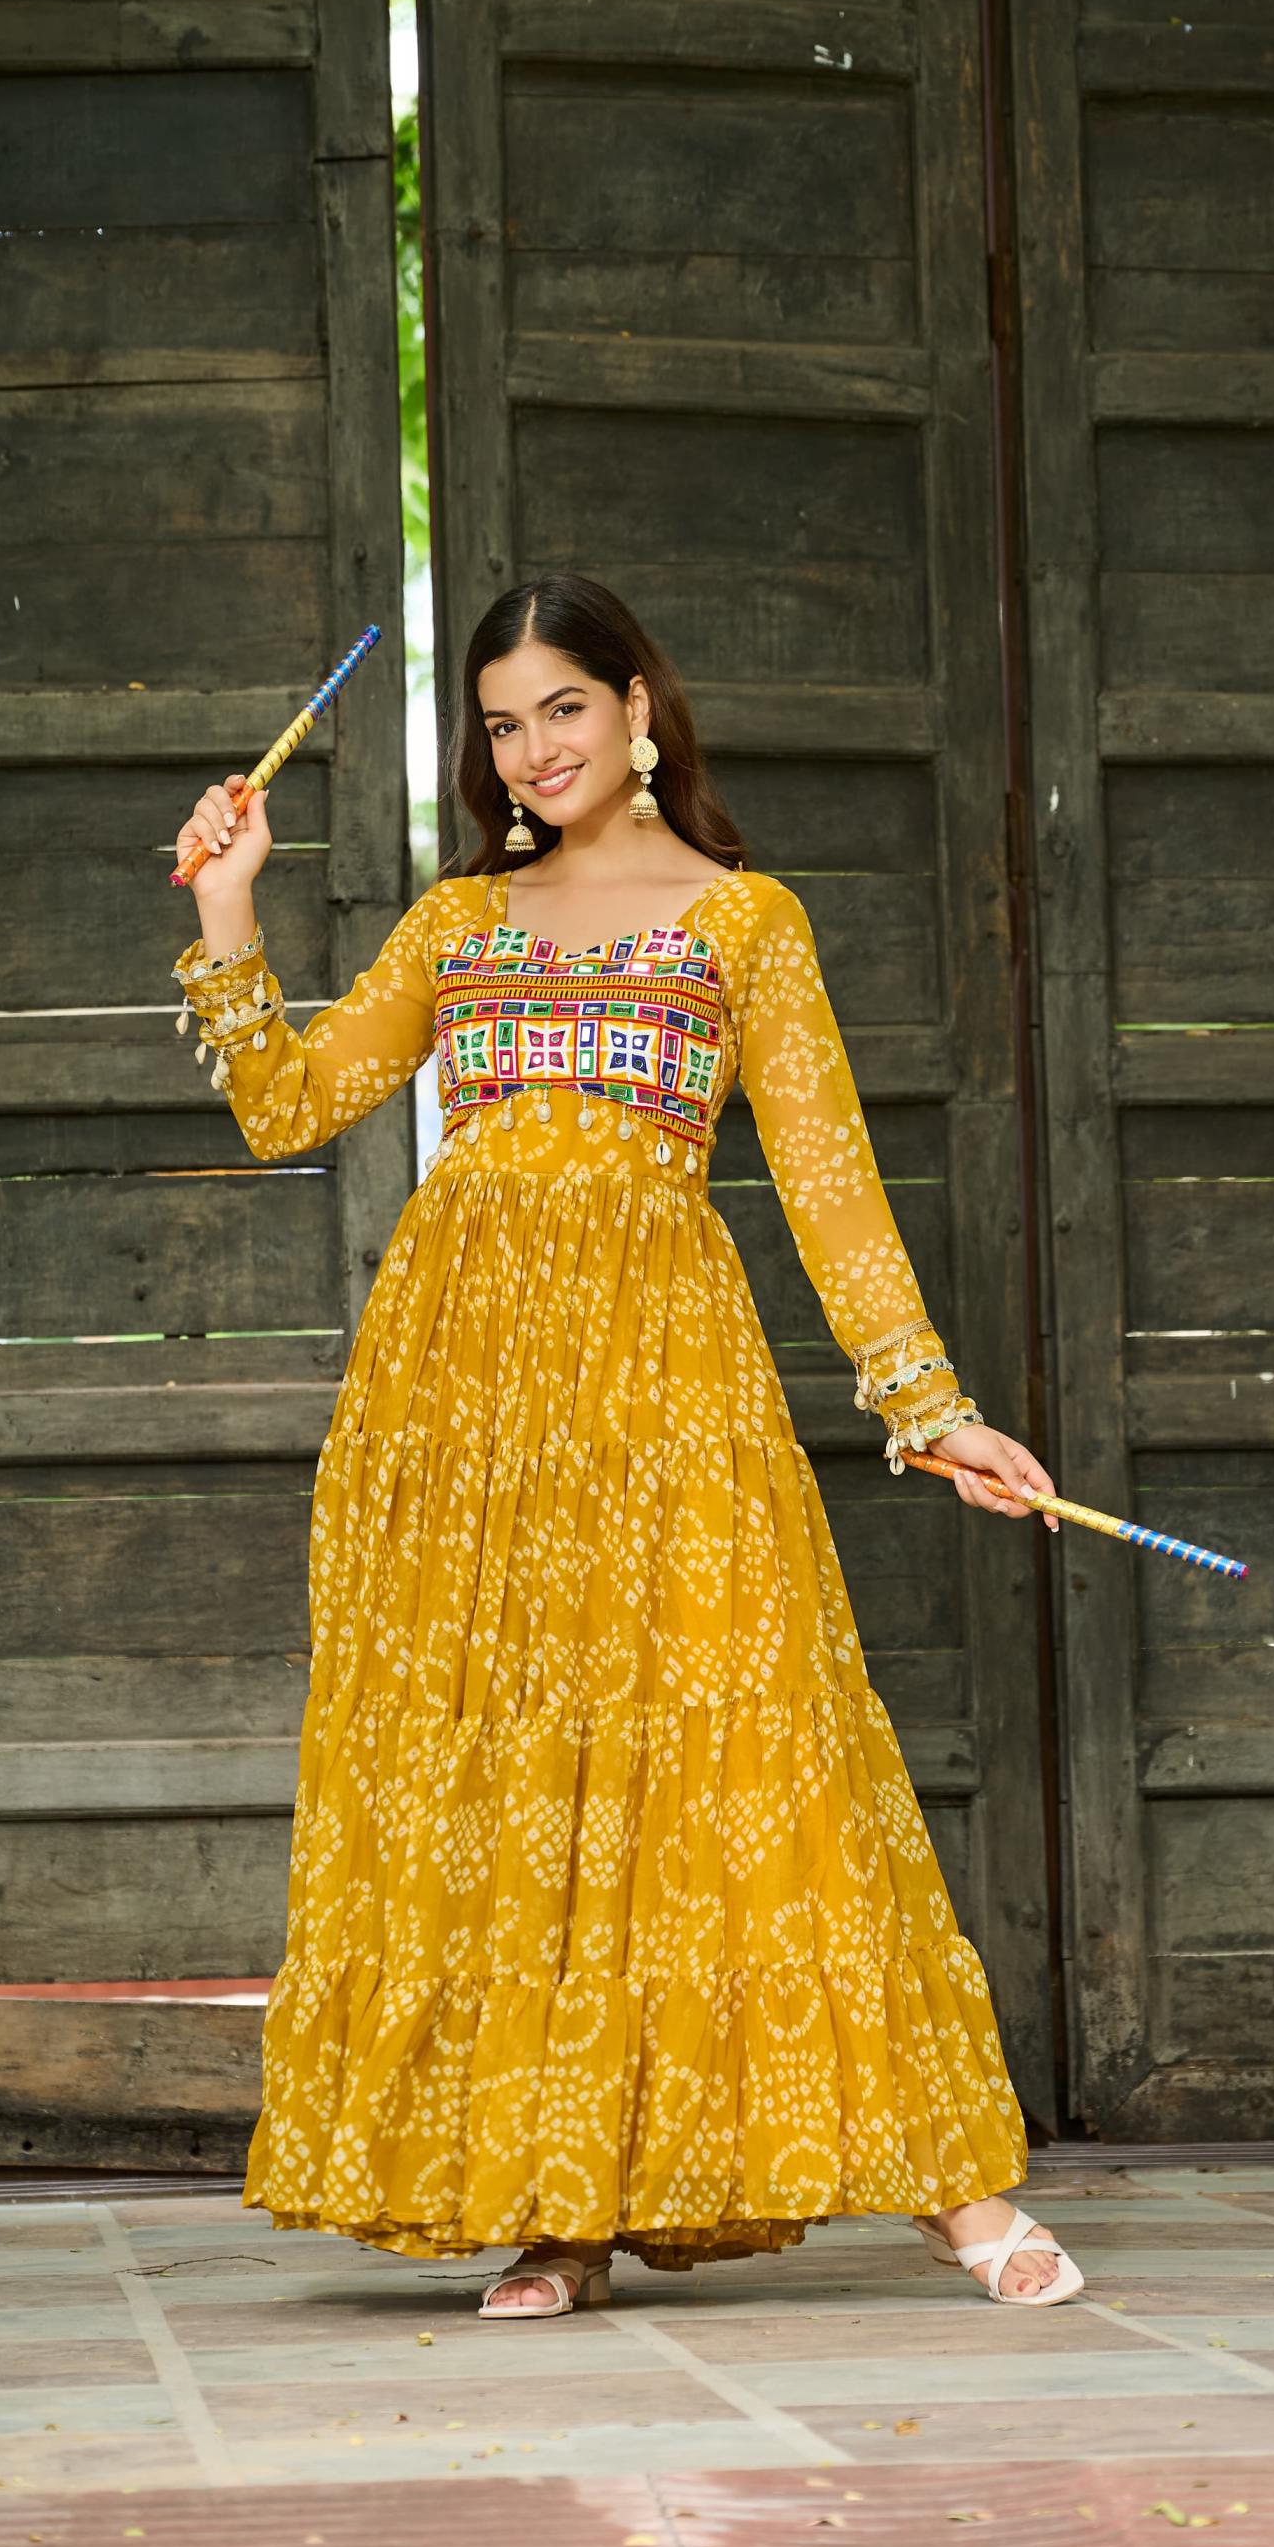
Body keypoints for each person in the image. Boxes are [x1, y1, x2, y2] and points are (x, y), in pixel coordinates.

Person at [172, 573, 1082, 2313]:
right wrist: (230, 906)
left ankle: (956, 2193)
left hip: (665, 1383)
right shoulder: (457, 923)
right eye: (503, 725)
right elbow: (288, 1104)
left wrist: (931, 1408)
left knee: (761, 1749)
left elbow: (829, 1182)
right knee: (511, 1782)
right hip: (457, 1402)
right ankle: (560, 2213)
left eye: (564, 709)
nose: (535, 751)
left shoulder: (745, 923)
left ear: (639, 707)